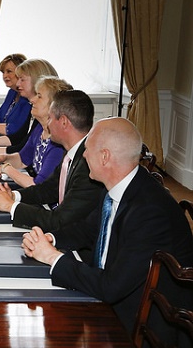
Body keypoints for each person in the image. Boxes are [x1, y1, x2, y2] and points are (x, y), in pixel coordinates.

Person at [22, 117, 193, 342]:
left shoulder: (149, 213)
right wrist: (50, 238)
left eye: (87, 149)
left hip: (132, 323)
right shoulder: (120, 185)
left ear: (104, 156)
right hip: (109, 295)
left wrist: (53, 258)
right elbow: (87, 230)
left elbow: (111, 287)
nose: (83, 155)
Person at [0, 90, 105, 232]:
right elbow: (49, 189)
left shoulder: (89, 165)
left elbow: (59, 221)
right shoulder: (73, 151)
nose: (47, 124)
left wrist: (10, 206)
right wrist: (13, 196)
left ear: (63, 122)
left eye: (50, 118)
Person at [0, 77, 70, 188]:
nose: (32, 100)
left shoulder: (58, 143)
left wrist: (6, 168)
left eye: (39, 96)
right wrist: (4, 159)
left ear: (53, 105)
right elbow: (22, 159)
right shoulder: (39, 128)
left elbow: (38, 185)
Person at [0, 58, 57, 156]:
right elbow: (17, 138)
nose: (18, 84)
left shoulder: (42, 114)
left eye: (22, 79)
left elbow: (21, 150)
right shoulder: (34, 109)